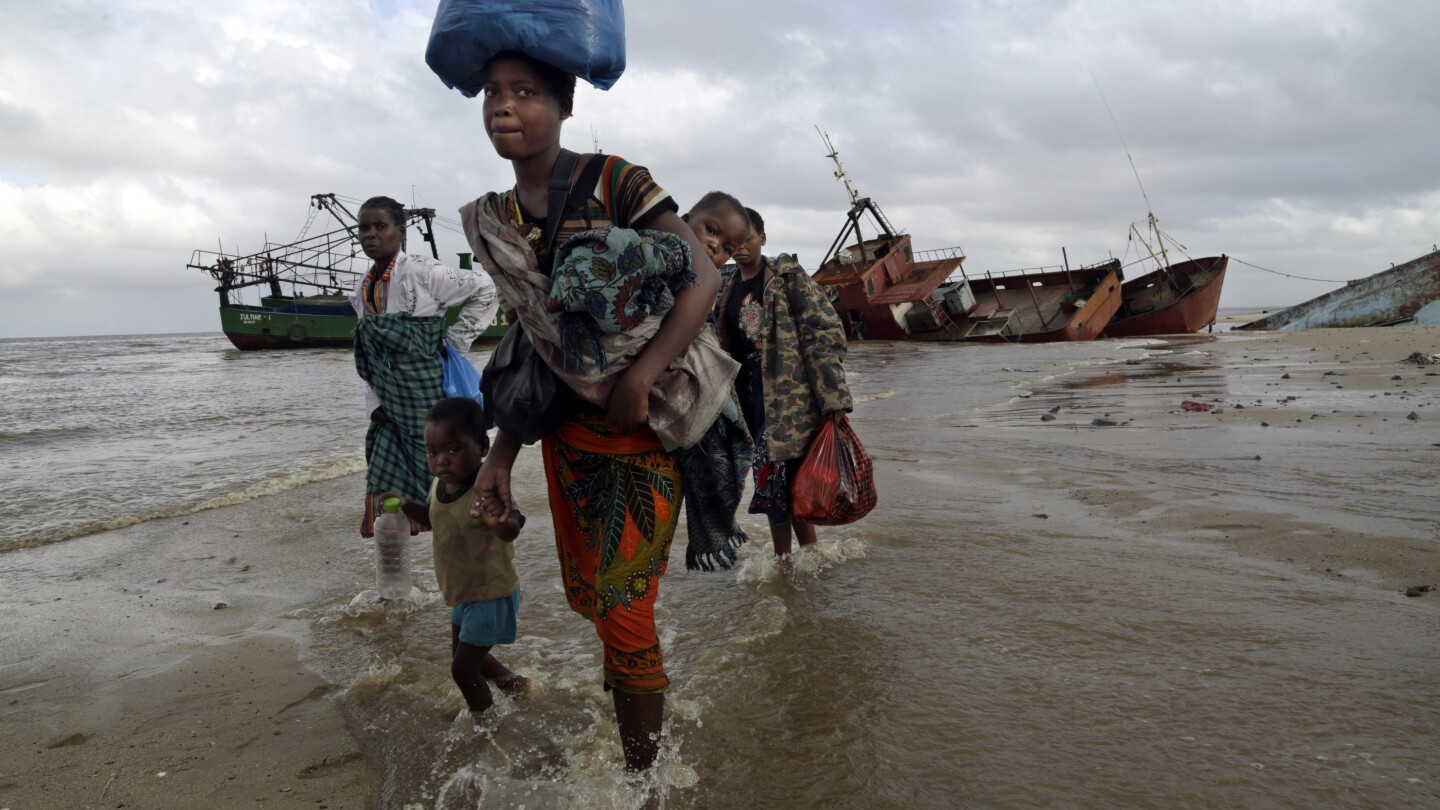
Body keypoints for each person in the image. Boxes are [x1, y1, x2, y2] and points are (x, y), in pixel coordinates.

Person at [457, 51, 731, 772]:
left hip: (646, 429)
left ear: (565, 105)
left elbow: (702, 279)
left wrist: (641, 374)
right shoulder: (501, 216)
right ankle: (637, 741)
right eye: (492, 92)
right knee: (600, 604)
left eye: (526, 92)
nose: (504, 106)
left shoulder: (616, 179)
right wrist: (499, 455)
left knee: (625, 607)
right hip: (570, 439)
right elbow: (535, 346)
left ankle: (642, 783)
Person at [349, 196, 499, 537]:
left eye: (379, 226)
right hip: (389, 400)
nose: (370, 234)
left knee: (440, 468)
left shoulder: (420, 270)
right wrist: (374, 405)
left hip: (424, 388)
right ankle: (400, 564)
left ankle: (466, 535)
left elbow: (486, 288)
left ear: (400, 232)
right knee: (386, 474)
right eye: (363, 228)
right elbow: (370, 357)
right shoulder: (362, 287)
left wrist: (456, 341)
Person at [714, 207, 853, 560]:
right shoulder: (727, 289)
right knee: (778, 483)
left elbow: (824, 333)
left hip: (789, 400)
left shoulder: (787, 278)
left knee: (782, 479)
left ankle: (793, 562)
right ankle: (799, 561)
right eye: (732, 242)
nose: (741, 247)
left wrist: (833, 398)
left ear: (763, 237)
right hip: (749, 399)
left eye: (748, 238)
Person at [399, 397, 529, 716]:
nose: (441, 460)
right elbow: (441, 520)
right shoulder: (441, 485)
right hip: (464, 594)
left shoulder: (486, 488)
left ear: (483, 446)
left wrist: (498, 520)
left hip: (492, 594)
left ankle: (487, 725)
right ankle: (514, 684)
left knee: (462, 670)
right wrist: (406, 508)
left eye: (453, 450)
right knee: (469, 657)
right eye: (433, 452)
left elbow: (513, 525)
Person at [681, 191, 752, 271]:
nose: (715, 246)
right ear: (685, 221)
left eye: (726, 248)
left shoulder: (709, 282)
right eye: (710, 231)